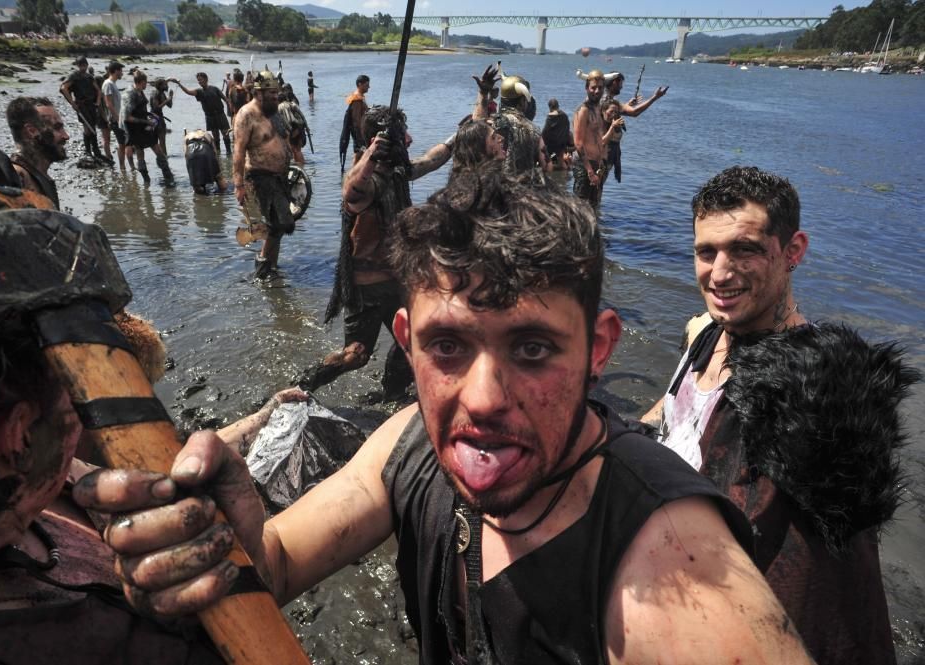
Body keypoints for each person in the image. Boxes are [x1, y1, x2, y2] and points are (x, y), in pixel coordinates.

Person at [72, 168, 815, 665]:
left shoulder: (672, 570)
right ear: (405, 341)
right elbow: (281, 562)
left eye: (532, 347)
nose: (485, 399)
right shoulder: (409, 444)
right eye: (449, 345)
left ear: (599, 349)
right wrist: (215, 544)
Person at [0, 210, 308, 661]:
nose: (95, 419)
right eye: (81, 396)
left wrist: (261, 419)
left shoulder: (34, 493)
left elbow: (172, 461)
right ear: (21, 437)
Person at [640, 165, 917, 665]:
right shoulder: (706, 330)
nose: (720, 273)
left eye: (744, 249)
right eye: (707, 252)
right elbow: (671, 408)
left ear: (793, 252)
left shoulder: (809, 393)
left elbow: (818, 578)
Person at [297, 105, 455, 401]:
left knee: (415, 339)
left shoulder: (397, 172)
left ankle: (393, 394)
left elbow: (435, 159)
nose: (409, 139)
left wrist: (465, 127)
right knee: (356, 356)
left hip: (396, 281)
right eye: (401, 135)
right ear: (380, 141)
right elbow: (351, 193)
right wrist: (370, 154)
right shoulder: (365, 179)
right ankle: (303, 386)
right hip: (366, 289)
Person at [232, 68, 293, 280]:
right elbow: (238, 152)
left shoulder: (274, 112)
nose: (276, 97)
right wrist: (238, 186)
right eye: (271, 94)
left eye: (276, 93)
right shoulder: (246, 115)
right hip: (260, 176)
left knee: (281, 226)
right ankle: (262, 272)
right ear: (258, 93)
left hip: (280, 178)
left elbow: (284, 140)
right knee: (276, 224)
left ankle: (271, 267)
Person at [472, 65, 546, 176]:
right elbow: (546, 166)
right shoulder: (534, 130)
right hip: (523, 189)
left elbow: (477, 127)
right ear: (522, 102)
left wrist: (483, 92)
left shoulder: (495, 122)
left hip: (496, 186)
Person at [599, 71, 668, 185]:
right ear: (614, 82)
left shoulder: (606, 97)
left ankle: (592, 202)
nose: (622, 86)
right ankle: (593, 202)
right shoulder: (607, 99)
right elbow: (635, 112)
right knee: (599, 182)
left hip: (607, 145)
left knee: (599, 181)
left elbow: (611, 114)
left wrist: (627, 105)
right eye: (621, 83)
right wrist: (655, 97)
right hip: (606, 147)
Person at [5, 96, 69, 210]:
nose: (66, 136)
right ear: (32, 131)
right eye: (57, 128)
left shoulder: (38, 175)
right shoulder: (17, 179)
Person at [123, 71, 175, 186]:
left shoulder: (140, 91)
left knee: (157, 151)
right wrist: (146, 121)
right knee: (146, 152)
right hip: (136, 129)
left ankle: (167, 177)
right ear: (141, 82)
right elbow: (127, 117)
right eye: (145, 82)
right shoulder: (131, 94)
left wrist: (150, 115)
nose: (147, 84)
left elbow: (140, 110)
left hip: (144, 126)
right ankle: (147, 180)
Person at [572, 69, 607, 218]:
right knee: (580, 210)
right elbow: (578, 144)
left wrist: (601, 165)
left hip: (596, 166)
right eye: (593, 87)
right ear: (587, 88)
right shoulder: (583, 110)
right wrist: (590, 172)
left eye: (600, 88)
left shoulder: (598, 108)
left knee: (593, 209)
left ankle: (591, 239)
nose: (596, 91)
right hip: (584, 166)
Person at [59, 56, 106, 165]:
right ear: (78, 65)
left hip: (91, 104)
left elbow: (98, 91)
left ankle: (96, 151)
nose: (83, 67)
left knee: (92, 126)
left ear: (87, 64)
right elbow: (63, 88)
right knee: (88, 127)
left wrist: (98, 102)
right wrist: (72, 103)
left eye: (84, 65)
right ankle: (88, 151)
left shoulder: (89, 77)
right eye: (81, 65)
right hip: (82, 105)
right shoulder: (74, 76)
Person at [171, 72, 232, 154]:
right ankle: (218, 154)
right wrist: (179, 84)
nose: (199, 82)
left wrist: (232, 111)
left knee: (226, 134)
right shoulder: (199, 92)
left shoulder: (215, 89)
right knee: (216, 137)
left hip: (220, 114)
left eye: (201, 80)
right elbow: (188, 92)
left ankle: (229, 153)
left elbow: (226, 100)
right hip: (210, 117)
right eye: (198, 81)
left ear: (206, 79)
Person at [185, 129, 228, 195]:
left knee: (196, 182)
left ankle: (200, 193)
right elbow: (215, 152)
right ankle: (223, 192)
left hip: (191, 152)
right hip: (205, 149)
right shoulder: (207, 134)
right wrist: (217, 169)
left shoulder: (187, 136)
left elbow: (185, 153)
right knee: (218, 177)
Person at [339, 74, 370, 164]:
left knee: (359, 154)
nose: (369, 87)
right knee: (359, 154)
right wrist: (360, 134)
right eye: (367, 85)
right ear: (360, 84)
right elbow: (356, 119)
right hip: (358, 131)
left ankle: (354, 173)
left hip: (360, 130)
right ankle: (352, 174)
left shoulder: (360, 97)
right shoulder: (356, 99)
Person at [100, 61, 125, 170]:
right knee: (122, 143)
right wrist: (117, 118)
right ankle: (122, 167)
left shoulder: (112, 84)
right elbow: (108, 103)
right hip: (115, 120)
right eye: (121, 70)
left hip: (118, 119)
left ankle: (123, 166)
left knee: (123, 143)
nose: (122, 73)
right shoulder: (108, 84)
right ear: (115, 71)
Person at [277, 83, 309, 166]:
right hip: (298, 127)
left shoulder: (287, 103)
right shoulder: (292, 101)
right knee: (296, 150)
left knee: (296, 150)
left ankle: (301, 167)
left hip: (295, 128)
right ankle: (300, 166)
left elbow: (288, 119)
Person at [541, 97, 572, 171]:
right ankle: (565, 172)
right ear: (558, 105)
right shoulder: (564, 115)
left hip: (552, 146)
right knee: (561, 160)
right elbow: (567, 127)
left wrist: (542, 141)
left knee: (554, 161)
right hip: (562, 144)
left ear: (550, 107)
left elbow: (545, 132)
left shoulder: (550, 117)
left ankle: (556, 173)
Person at [149, 78, 174, 157]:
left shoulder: (162, 94)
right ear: (160, 86)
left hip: (160, 118)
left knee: (162, 140)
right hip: (155, 118)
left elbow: (170, 106)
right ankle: (163, 156)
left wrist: (170, 97)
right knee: (160, 140)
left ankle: (164, 156)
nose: (167, 86)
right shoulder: (155, 93)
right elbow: (156, 108)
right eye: (165, 84)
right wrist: (167, 100)